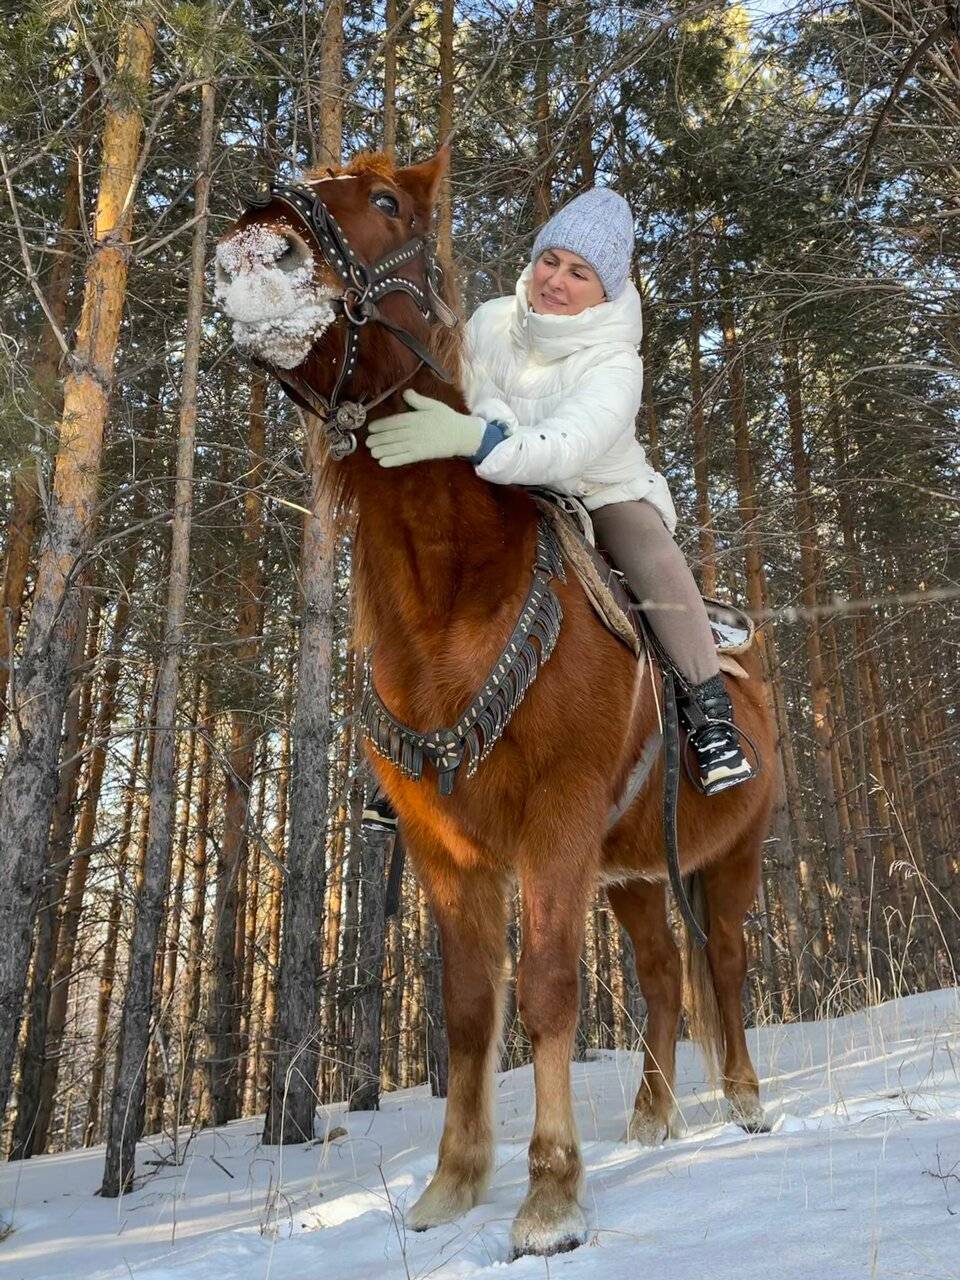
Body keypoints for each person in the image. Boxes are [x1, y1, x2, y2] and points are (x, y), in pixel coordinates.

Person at [362, 187, 754, 831]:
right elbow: (471, 387)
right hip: (496, 479)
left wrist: (476, 438)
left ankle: (710, 715)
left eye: (580, 273)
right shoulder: (490, 319)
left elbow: (568, 448)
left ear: (605, 290)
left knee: (649, 551)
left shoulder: (614, 363)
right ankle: (412, 748)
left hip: (594, 488)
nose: (557, 281)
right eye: (552, 260)